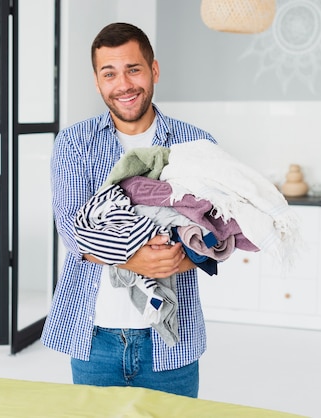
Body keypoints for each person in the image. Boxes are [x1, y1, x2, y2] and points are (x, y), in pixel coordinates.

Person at [41, 22, 217, 398]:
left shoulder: (197, 144)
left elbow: (220, 231)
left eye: (133, 69)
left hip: (173, 339)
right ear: (97, 81)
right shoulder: (75, 143)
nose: (123, 84)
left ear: (153, 70)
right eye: (110, 73)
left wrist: (175, 261)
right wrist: (133, 259)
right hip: (95, 337)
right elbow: (72, 232)